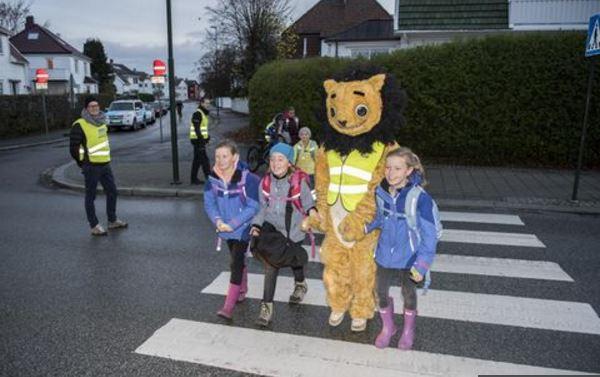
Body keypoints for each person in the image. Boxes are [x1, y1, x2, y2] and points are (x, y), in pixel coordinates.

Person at [365, 147, 439, 350]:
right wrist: (365, 227)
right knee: (379, 292)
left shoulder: (420, 198)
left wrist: (422, 264)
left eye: (397, 168)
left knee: (408, 294)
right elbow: (380, 218)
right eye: (388, 167)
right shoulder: (380, 192)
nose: (390, 173)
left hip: (410, 257)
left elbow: (430, 235)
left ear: (409, 171)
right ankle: (389, 328)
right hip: (384, 254)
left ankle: (408, 330)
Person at [249, 143, 319, 327]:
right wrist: (256, 225)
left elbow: (308, 203)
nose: (275, 163)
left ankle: (300, 283)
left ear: (289, 162)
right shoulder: (264, 183)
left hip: (295, 231)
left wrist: (312, 213)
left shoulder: (298, 183)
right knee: (271, 266)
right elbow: (262, 208)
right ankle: (267, 307)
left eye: (280, 159)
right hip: (273, 232)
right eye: (272, 159)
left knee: (295, 261)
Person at [204, 140, 260, 320]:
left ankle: (228, 307)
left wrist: (234, 223)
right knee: (237, 259)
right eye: (217, 157)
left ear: (235, 157)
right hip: (226, 228)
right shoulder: (213, 179)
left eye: (224, 156)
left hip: (243, 227)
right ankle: (242, 289)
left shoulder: (248, 179)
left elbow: (253, 207)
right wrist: (218, 220)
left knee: (235, 262)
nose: (220, 160)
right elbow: (209, 203)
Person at [69, 96, 128, 236]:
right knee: (91, 196)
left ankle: (112, 220)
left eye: (96, 105)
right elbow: (73, 148)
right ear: (86, 108)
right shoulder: (80, 124)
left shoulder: (102, 122)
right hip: (91, 166)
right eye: (91, 106)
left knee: (112, 191)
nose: (94, 108)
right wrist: (82, 163)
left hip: (105, 164)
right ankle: (94, 225)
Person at [190, 97, 211, 184]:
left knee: (197, 161)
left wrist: (207, 137)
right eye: (206, 103)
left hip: (200, 140)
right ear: (201, 103)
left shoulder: (203, 113)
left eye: (208, 103)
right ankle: (210, 180)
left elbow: (203, 128)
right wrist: (202, 139)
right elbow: (197, 128)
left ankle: (193, 179)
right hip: (198, 141)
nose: (208, 105)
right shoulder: (198, 113)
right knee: (205, 160)